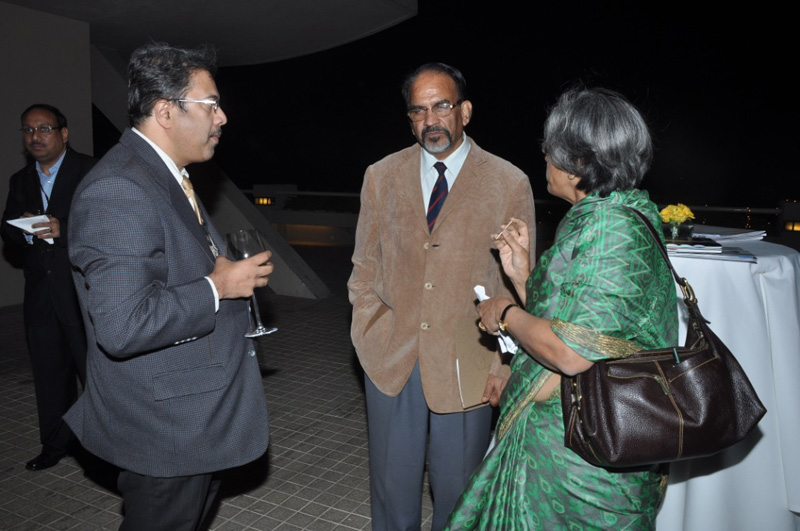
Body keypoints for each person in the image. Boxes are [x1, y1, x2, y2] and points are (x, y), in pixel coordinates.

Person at [443, 87, 679, 530]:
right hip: (573, 441)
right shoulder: (610, 216)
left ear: (579, 164)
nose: (545, 159)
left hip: (580, 465)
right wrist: (523, 276)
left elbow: (571, 352)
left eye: (551, 150)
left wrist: (504, 312)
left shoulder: (611, 231)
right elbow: (581, 322)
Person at [64, 42, 272, 531]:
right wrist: (217, 287)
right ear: (165, 112)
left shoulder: (164, 174)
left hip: (193, 421)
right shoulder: (120, 189)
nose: (222, 117)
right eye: (211, 104)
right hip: (165, 431)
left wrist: (215, 271)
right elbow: (123, 324)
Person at [348, 62, 536, 531]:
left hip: (469, 359)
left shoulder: (508, 181)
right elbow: (364, 265)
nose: (430, 120)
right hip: (392, 355)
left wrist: (503, 366)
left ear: (465, 112)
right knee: (392, 491)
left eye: (442, 106)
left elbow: (517, 282)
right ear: (409, 119)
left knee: (459, 493)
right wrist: (368, 329)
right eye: (419, 110)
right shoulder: (380, 176)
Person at [1, 104, 95, 471]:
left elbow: (110, 224)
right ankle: (55, 444)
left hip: (82, 291)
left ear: (63, 134)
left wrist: (63, 230)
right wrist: (25, 231)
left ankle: (107, 446)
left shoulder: (91, 170)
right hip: (40, 295)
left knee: (95, 374)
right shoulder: (20, 180)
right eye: (28, 130)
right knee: (48, 373)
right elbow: (7, 230)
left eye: (44, 128)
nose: (35, 137)